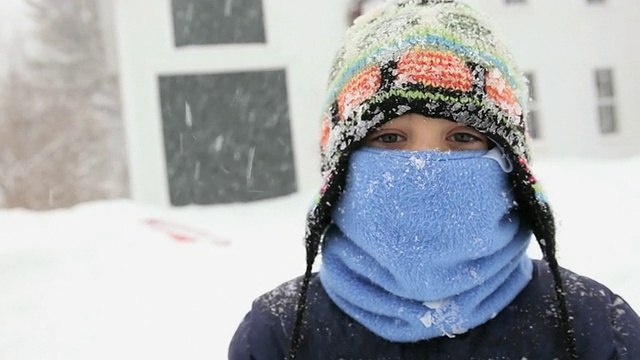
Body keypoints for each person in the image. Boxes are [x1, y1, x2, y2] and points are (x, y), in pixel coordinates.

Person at [228, 0, 640, 359]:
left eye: (462, 137)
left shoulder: (596, 330)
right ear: (340, 171)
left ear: (512, 166)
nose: (424, 166)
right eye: (389, 137)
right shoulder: (278, 336)